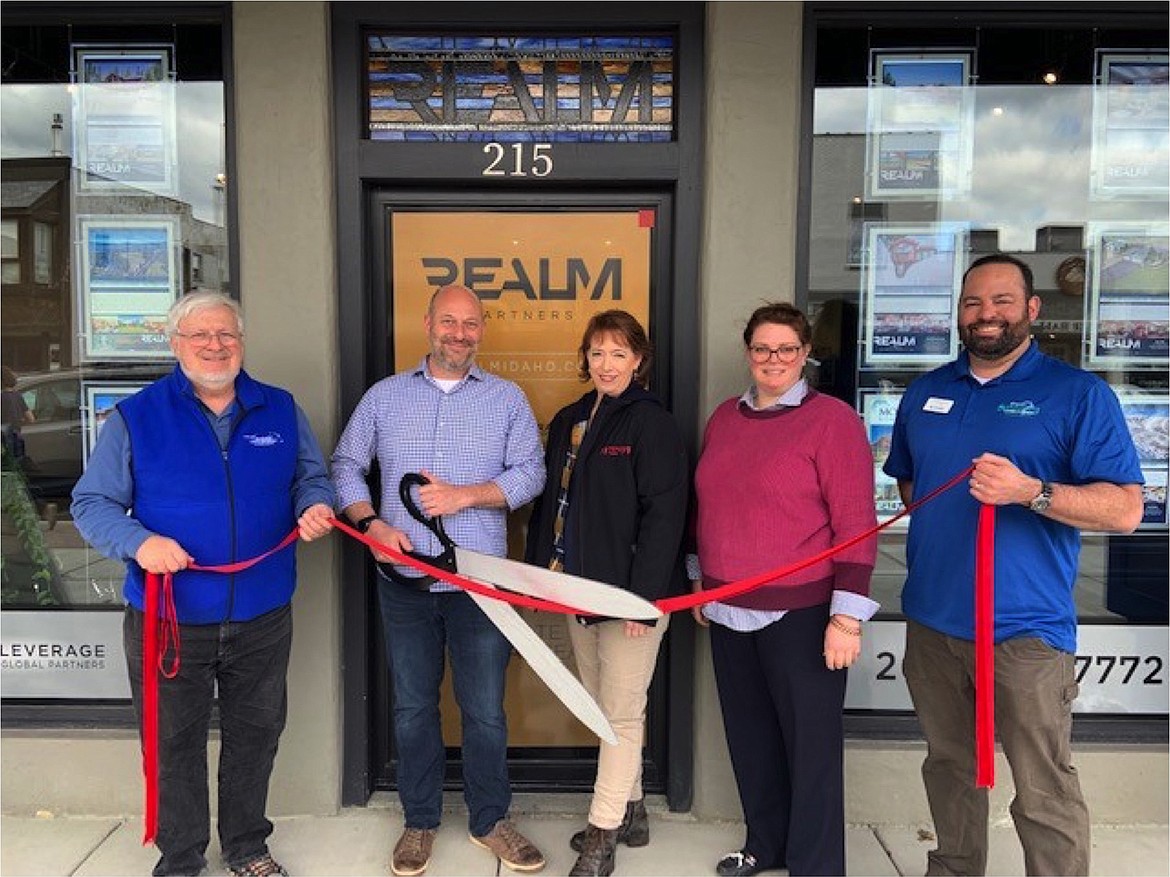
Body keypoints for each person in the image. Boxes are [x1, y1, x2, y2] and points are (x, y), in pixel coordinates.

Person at [883, 253, 1144, 877]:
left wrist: (1033, 492)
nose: (986, 314)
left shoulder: (1077, 394)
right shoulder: (926, 393)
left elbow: (1125, 509)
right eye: (973, 303)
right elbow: (910, 487)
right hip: (935, 623)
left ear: (1032, 310)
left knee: (1042, 785)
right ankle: (954, 867)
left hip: (1024, 630)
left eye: (1002, 301)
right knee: (948, 765)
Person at [71, 291, 337, 877]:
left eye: (227, 335)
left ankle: (246, 847)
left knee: (257, 736)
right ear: (175, 344)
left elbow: (310, 479)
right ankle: (182, 858)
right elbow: (91, 502)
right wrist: (140, 542)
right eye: (200, 336)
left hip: (263, 615)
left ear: (242, 342)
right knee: (173, 747)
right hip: (169, 620)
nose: (215, 346)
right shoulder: (136, 417)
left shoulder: (280, 409)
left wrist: (315, 506)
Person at [331, 283, 547, 877]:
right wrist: (371, 523)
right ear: (427, 323)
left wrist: (467, 495)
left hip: (479, 587)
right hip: (403, 582)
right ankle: (420, 821)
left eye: (471, 323)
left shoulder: (506, 400)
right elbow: (345, 465)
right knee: (413, 708)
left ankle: (489, 821)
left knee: (484, 711)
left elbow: (532, 472)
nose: (459, 333)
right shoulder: (384, 397)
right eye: (448, 321)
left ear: (483, 329)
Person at [690, 302, 878, 877]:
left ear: (804, 353)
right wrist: (700, 577)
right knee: (752, 741)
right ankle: (764, 846)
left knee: (811, 750)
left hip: (802, 613)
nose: (774, 359)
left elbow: (856, 522)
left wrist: (846, 618)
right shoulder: (725, 417)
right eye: (763, 348)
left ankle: (815, 865)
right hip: (726, 609)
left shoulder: (832, 420)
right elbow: (708, 503)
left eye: (787, 349)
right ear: (749, 353)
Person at [525, 310, 689, 877]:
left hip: (630, 601)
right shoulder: (571, 417)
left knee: (620, 714)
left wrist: (643, 601)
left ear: (639, 361)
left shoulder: (652, 424)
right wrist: (537, 577)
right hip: (577, 589)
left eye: (619, 354)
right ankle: (634, 809)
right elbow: (552, 508)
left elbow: (665, 517)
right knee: (603, 710)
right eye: (597, 353)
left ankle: (602, 834)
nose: (606, 365)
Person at [2, 364, 34, 462]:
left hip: (4, 440)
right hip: (17, 437)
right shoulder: (18, 396)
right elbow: (31, 419)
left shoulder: (1, 397)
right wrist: (19, 420)